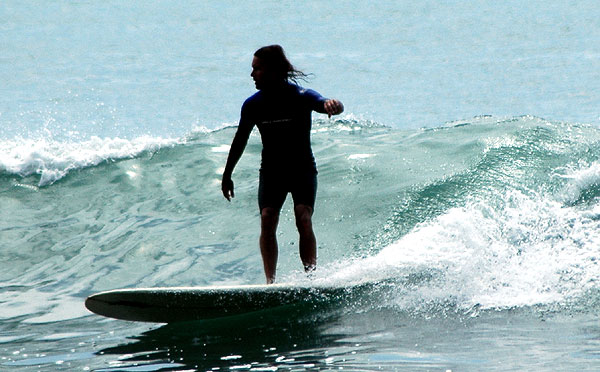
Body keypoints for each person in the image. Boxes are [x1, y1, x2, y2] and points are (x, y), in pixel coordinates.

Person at [221, 45, 344, 284]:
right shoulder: (253, 104)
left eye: (257, 69)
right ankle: (271, 283)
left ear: (272, 70)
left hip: (302, 170)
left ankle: (311, 279)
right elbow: (240, 141)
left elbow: (324, 103)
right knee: (267, 217)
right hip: (272, 172)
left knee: (303, 217)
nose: (252, 74)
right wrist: (227, 174)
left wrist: (334, 105)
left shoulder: (301, 96)